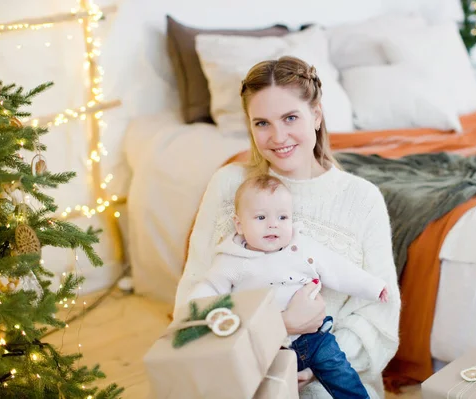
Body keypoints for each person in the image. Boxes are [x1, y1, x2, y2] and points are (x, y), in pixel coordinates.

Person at [172, 55, 401, 398]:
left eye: (290, 118)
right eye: (262, 123)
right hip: (239, 363)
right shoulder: (228, 185)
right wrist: (275, 330)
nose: (278, 137)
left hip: (329, 374)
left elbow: (380, 311)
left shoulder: (361, 199)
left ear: (317, 115)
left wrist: (313, 365)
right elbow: (192, 303)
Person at [188, 174, 389, 399]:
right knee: (267, 390)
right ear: (239, 224)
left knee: (341, 374)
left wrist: (373, 287)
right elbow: (210, 289)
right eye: (261, 217)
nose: (273, 224)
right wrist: (192, 312)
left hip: (314, 338)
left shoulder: (302, 247)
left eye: (283, 217)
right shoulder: (232, 260)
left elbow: (340, 270)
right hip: (266, 345)